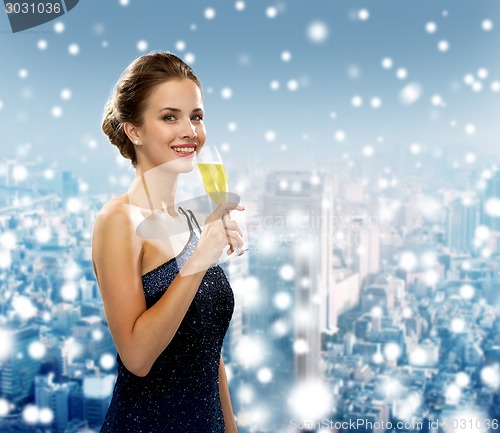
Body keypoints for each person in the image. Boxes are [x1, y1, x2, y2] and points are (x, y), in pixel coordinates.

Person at [92, 51, 242, 433]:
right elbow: (137, 357)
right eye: (169, 117)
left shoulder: (191, 221)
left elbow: (208, 352)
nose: (190, 130)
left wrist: (231, 427)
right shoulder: (118, 220)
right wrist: (197, 263)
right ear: (134, 130)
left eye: (196, 116)